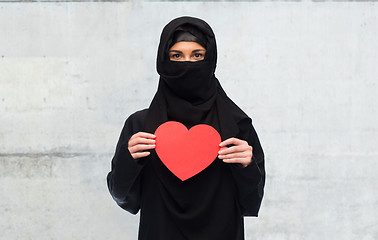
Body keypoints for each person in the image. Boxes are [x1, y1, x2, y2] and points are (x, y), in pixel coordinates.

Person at [107, 16, 265, 240]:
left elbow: (250, 203)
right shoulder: (141, 126)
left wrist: (248, 167)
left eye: (197, 55)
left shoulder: (236, 125)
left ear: (210, 60)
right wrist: (128, 160)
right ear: (163, 60)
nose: (187, 64)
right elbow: (125, 200)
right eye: (176, 56)